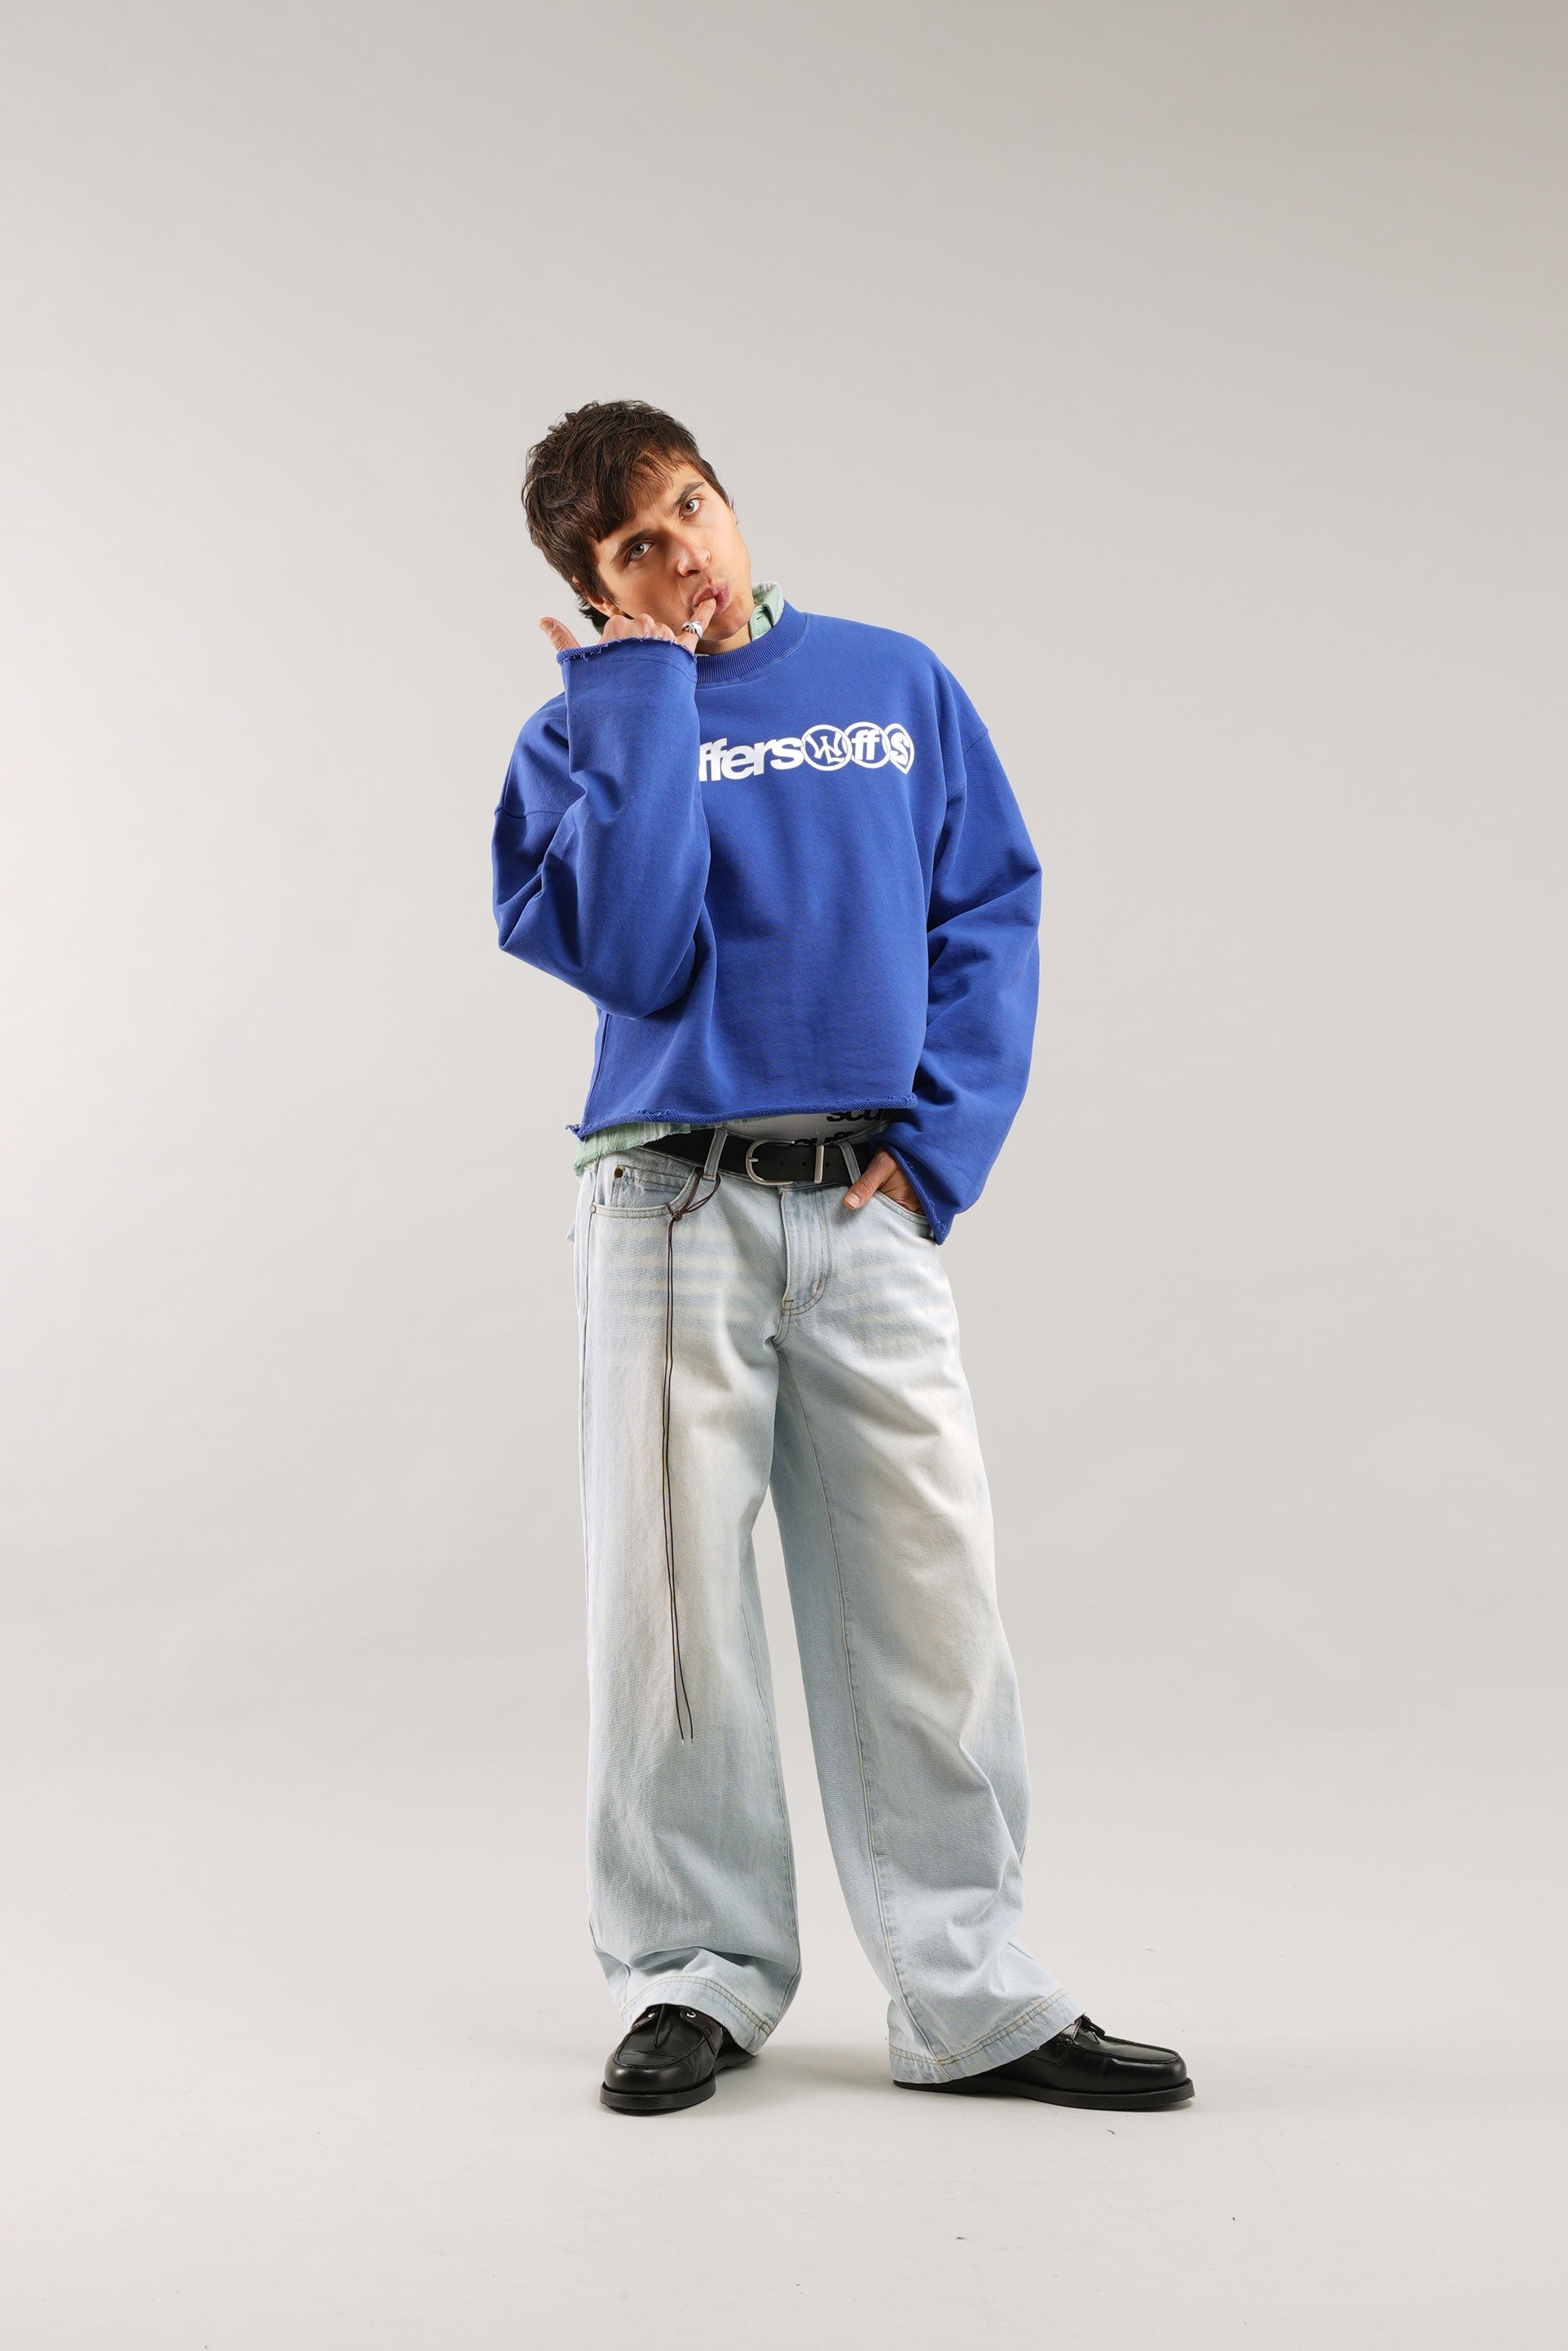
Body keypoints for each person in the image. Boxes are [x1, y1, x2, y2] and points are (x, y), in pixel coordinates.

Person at [492, 400, 1192, 2118]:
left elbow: (990, 906)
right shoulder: (577, 736)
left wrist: (936, 1149)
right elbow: (634, 954)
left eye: (690, 507)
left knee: (930, 1603)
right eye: (636, 547)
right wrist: (636, 701)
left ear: (727, 499)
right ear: (593, 591)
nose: (684, 555)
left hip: (864, 1205)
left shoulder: (894, 684)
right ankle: (694, 1972)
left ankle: (969, 1994)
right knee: (671, 1613)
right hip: (667, 1206)